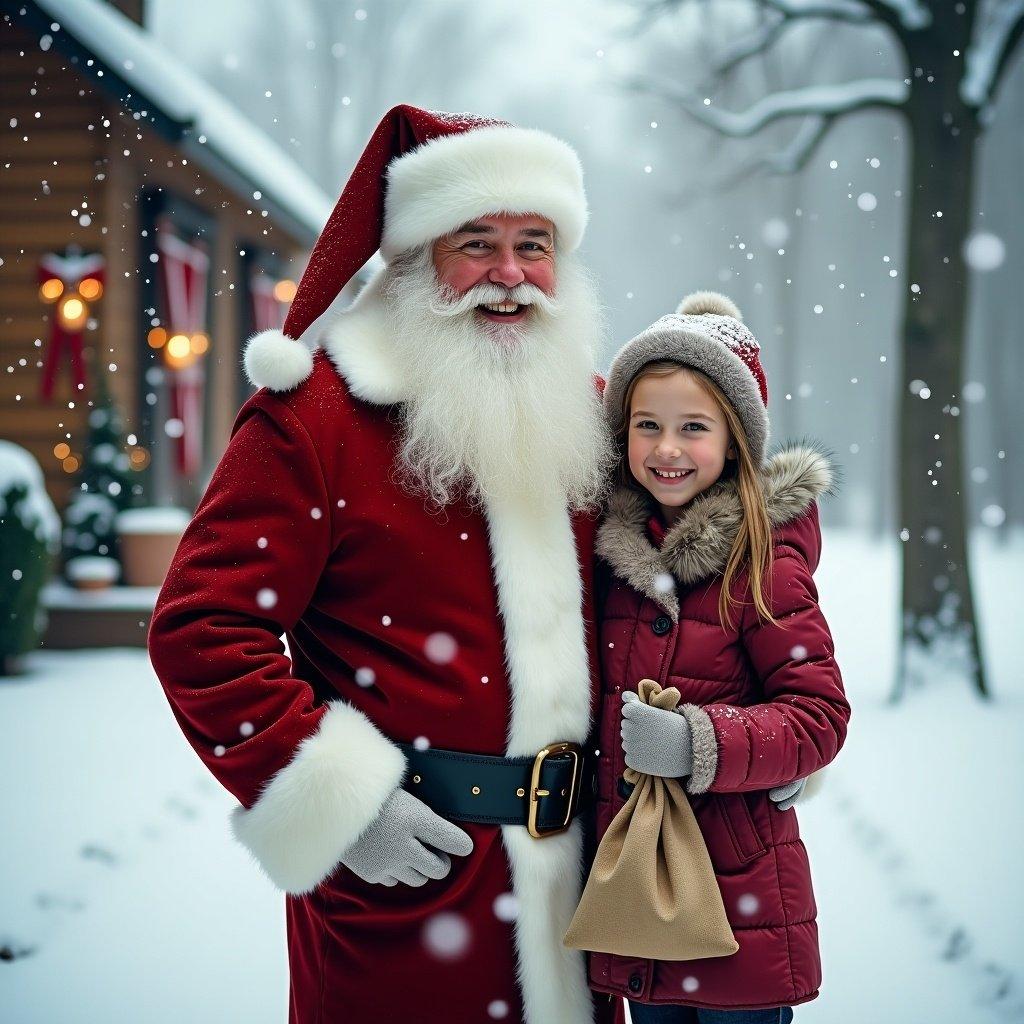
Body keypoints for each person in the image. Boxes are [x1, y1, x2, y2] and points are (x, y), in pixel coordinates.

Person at [147, 105, 617, 1024]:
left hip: (586, 897)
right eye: (475, 242)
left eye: (535, 243)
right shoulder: (316, 418)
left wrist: (743, 729)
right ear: (410, 258)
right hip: (408, 891)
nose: (512, 275)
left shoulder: (595, 415)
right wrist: (346, 805)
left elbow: (685, 589)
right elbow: (205, 628)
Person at [586, 292, 851, 1021]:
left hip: (738, 898)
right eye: (648, 426)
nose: (666, 449)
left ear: (736, 440)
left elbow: (819, 714)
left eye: (692, 428)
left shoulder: (762, 562)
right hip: (638, 897)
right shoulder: (613, 553)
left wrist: (700, 742)